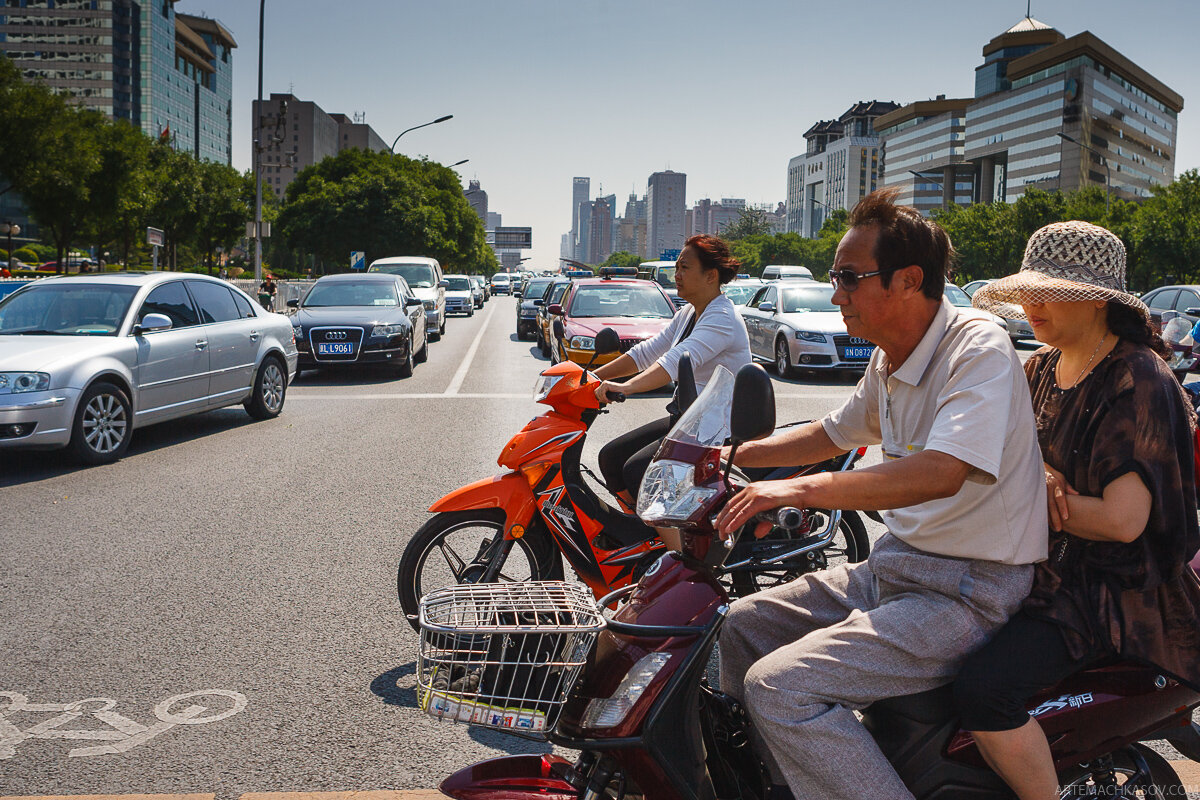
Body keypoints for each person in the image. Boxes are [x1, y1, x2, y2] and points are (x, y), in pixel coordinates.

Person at [714, 188, 1048, 800]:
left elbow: (942, 470)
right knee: (740, 625)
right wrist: (725, 457)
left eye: (848, 277)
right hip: (895, 567)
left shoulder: (977, 349)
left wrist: (799, 491)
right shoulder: (889, 358)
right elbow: (832, 432)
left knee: (779, 687)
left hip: (968, 589)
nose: (835, 293)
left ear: (909, 280)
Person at [956, 221, 1200, 800]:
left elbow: (1121, 522)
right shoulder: (1038, 367)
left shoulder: (1137, 378)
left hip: (1106, 592)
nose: (1030, 304)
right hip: (1035, 565)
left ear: (1096, 298)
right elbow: (998, 451)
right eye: (1028, 289)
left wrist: (1027, 486)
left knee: (982, 694)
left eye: (1050, 290)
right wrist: (1034, 475)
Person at [593, 234, 751, 506]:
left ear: (711, 276)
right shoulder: (688, 313)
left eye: (685, 268)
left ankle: (679, 548)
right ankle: (642, 536)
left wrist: (626, 387)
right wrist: (593, 376)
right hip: (689, 419)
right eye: (677, 267)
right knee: (611, 457)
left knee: (638, 471)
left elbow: (676, 361)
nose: (677, 274)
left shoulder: (722, 317)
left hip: (714, 429)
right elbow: (646, 352)